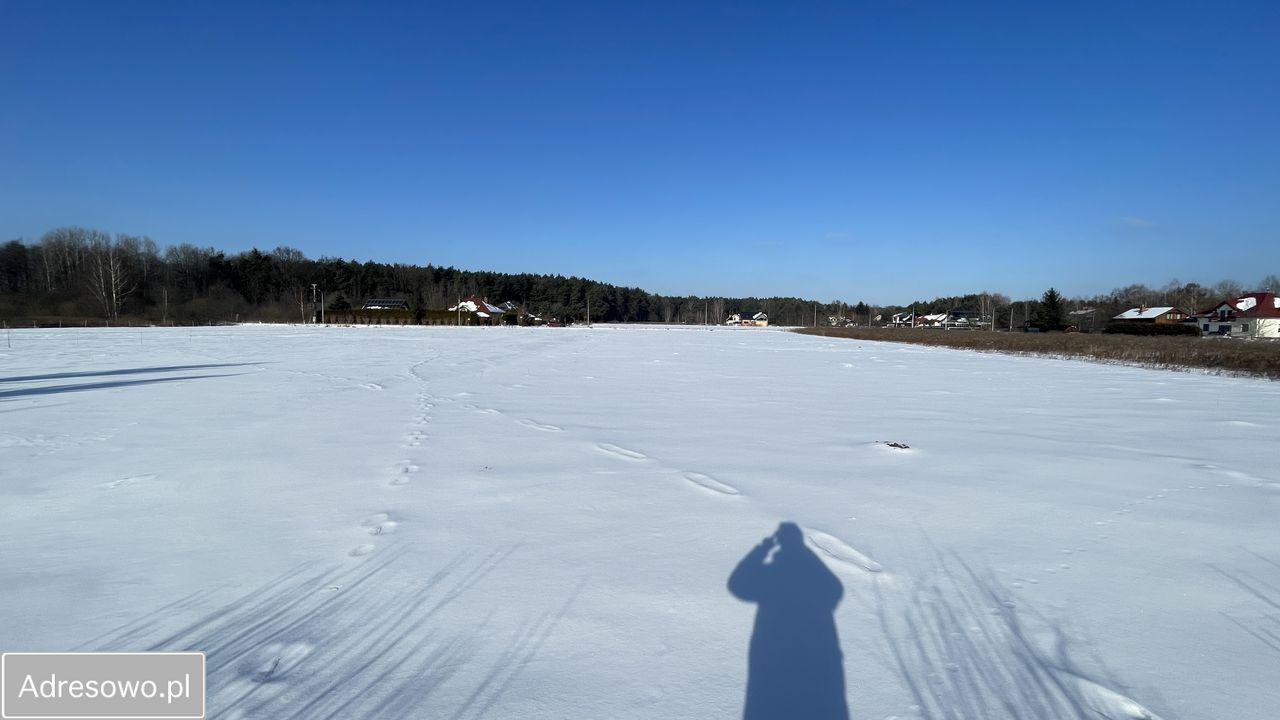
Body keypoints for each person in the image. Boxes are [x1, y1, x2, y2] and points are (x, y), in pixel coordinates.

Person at [728, 521, 850, 720]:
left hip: (774, 659)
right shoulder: (815, 576)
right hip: (815, 659)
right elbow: (836, 589)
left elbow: (737, 584)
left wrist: (763, 548)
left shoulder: (770, 576)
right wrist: (808, 556)